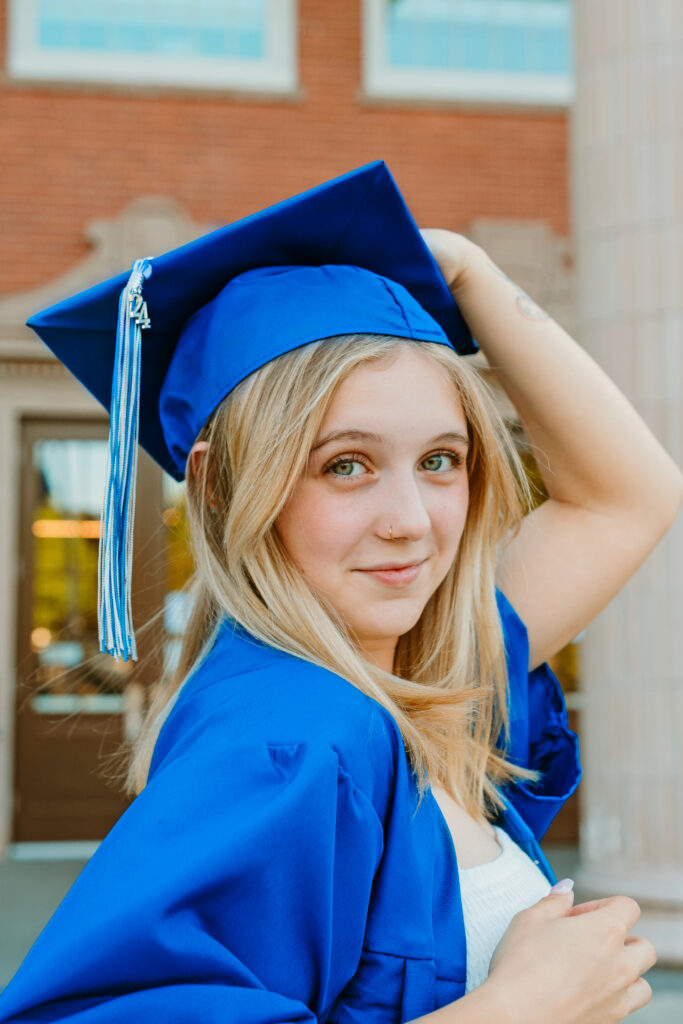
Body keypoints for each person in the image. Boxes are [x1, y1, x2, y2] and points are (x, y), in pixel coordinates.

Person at [0, 160, 679, 1024]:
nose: (411, 522)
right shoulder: (297, 737)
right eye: (345, 465)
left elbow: (629, 499)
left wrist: (470, 272)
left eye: (439, 460)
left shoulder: (415, 686)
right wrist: (523, 1008)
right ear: (219, 488)